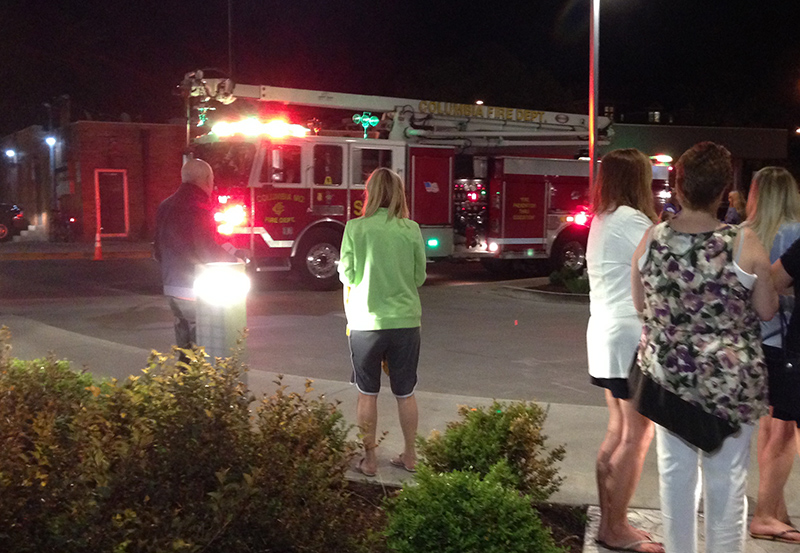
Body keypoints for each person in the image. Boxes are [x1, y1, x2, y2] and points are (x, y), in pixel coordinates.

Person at [630, 142, 778, 553]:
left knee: (674, 478)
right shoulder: (743, 243)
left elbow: (641, 305)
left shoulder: (652, 239)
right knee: (726, 483)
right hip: (730, 387)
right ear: (723, 193)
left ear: (678, 188)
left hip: (668, 382)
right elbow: (767, 310)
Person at [586, 149, 663, 553]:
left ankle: (609, 523)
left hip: (602, 331)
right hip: (630, 334)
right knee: (638, 434)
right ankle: (617, 527)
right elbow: (662, 270)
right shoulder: (634, 222)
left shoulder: (602, 219)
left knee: (617, 430)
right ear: (639, 181)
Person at [338, 168, 427, 477]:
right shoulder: (411, 229)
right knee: (405, 391)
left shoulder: (355, 228)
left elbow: (347, 275)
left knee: (367, 393)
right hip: (405, 322)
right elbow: (419, 277)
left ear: (370, 194)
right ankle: (411, 456)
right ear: (399, 194)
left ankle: (370, 460)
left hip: (365, 323)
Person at [743, 167, 800, 544]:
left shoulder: (746, 234)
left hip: (755, 341)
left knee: (770, 424)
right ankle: (766, 512)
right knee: (785, 429)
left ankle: (776, 510)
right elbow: (781, 286)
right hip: (786, 342)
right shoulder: (795, 233)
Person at [153, 158, 237, 350]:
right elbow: (206, 248)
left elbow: (157, 249)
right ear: (207, 179)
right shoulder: (199, 208)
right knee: (205, 348)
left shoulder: (164, 206)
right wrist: (234, 260)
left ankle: (185, 378)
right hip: (195, 289)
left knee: (184, 350)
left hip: (171, 287)